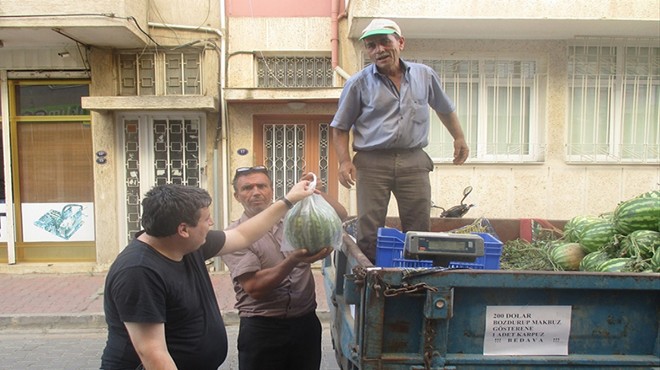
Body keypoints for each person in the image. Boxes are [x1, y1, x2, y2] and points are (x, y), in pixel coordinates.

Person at [100, 179, 314, 370]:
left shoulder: (186, 244)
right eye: (206, 219)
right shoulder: (139, 272)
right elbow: (153, 353)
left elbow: (242, 234)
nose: (211, 224)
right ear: (183, 229)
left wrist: (288, 200)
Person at [330, 18, 469, 263]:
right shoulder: (357, 84)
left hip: (413, 160)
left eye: (384, 42)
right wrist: (344, 161)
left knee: (419, 228)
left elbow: (444, 109)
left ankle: (416, 281)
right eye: (371, 45)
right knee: (369, 229)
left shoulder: (424, 75)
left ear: (400, 42)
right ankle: (371, 284)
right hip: (372, 163)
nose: (379, 50)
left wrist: (459, 137)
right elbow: (340, 127)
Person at [221, 166, 347, 370]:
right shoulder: (232, 237)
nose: (255, 192)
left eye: (261, 186)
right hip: (262, 329)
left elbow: (340, 216)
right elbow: (255, 288)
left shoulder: (294, 217)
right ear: (236, 196)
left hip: (305, 323)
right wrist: (294, 259)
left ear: (271, 190)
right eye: (247, 188)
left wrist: (314, 191)